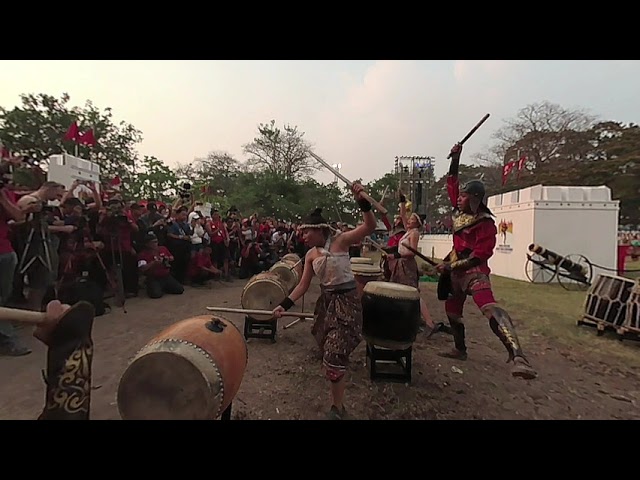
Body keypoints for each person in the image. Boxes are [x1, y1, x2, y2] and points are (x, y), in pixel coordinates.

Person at [272, 182, 376, 420]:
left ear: (320, 230)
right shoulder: (309, 255)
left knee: (334, 353)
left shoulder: (341, 241)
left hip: (347, 303)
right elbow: (302, 285)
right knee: (327, 350)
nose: (303, 236)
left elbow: (369, 226)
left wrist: (361, 200)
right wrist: (283, 305)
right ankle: (338, 402)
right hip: (327, 303)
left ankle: (336, 409)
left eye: (307, 232)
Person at [436, 142, 536, 380]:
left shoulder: (486, 224)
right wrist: (455, 158)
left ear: (475, 198)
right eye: (459, 195)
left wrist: (451, 266)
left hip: (474, 272)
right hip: (454, 272)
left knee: (489, 308)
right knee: (452, 312)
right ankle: (460, 349)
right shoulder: (458, 212)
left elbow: (480, 256)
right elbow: (452, 181)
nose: (459, 198)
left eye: (464, 195)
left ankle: (518, 356)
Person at [385, 192, 448, 337]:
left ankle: (429, 323)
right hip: (401, 264)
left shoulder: (414, 234)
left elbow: (411, 253)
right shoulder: (408, 230)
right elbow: (402, 216)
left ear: (417, 223)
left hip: (407, 265)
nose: (409, 220)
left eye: (412, 219)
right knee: (397, 292)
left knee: (413, 294)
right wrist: (401, 202)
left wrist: (396, 255)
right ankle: (403, 319)